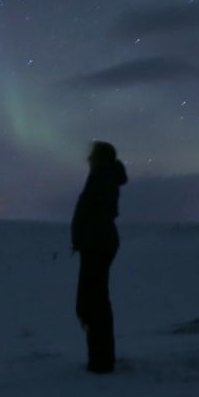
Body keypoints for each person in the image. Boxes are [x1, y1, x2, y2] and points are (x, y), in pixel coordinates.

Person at [71, 140, 127, 374]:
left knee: (95, 301)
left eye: (92, 154)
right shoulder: (103, 176)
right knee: (95, 299)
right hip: (97, 242)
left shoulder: (102, 176)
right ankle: (101, 358)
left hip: (97, 242)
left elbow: (94, 209)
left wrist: (85, 233)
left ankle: (101, 362)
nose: (88, 158)